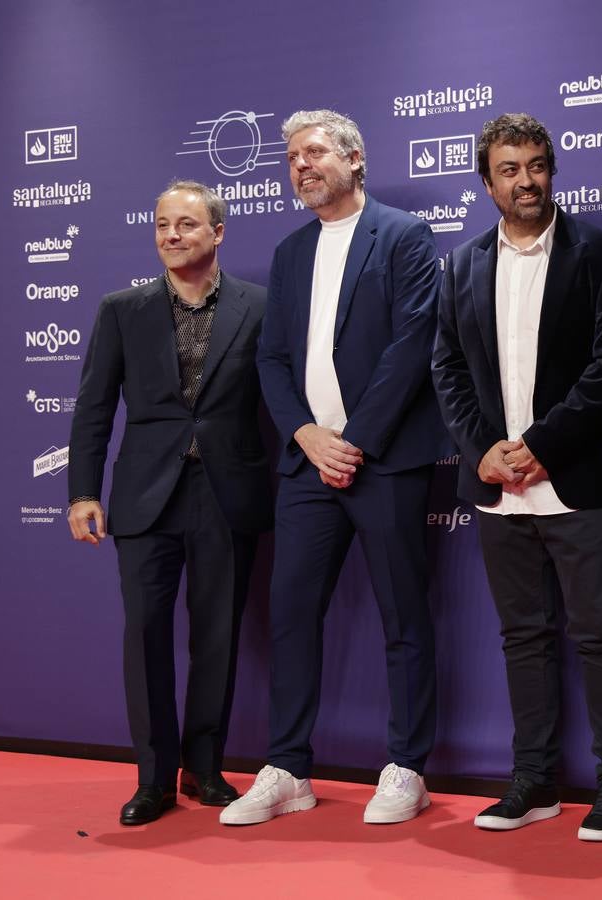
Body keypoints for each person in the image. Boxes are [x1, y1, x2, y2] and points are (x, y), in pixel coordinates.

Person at [221, 109, 447, 827]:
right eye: (291, 157)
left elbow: (412, 345)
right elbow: (272, 359)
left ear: (354, 158)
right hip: (306, 465)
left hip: (385, 461)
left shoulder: (403, 235)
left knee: (403, 616)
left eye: (314, 152)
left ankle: (407, 766)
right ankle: (288, 768)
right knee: (291, 615)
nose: (301, 165)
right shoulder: (290, 252)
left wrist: (355, 442)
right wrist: (306, 435)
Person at [432, 113, 602, 840]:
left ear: (552, 168)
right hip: (498, 491)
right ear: (487, 183)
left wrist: (543, 445)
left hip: (576, 480)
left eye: (536, 165)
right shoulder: (460, 265)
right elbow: (447, 368)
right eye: (509, 170)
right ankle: (534, 779)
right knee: (523, 637)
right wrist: (481, 451)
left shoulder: (601, 253)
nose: (526, 181)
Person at [67, 181, 272, 826]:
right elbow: (93, 408)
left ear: (218, 232)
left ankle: (204, 769)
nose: (172, 235)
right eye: (162, 225)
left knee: (218, 637)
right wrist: (82, 491)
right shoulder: (121, 310)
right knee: (146, 637)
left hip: (228, 492)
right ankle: (153, 779)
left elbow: (280, 399)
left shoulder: (260, 306)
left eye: (186, 224)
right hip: (144, 497)